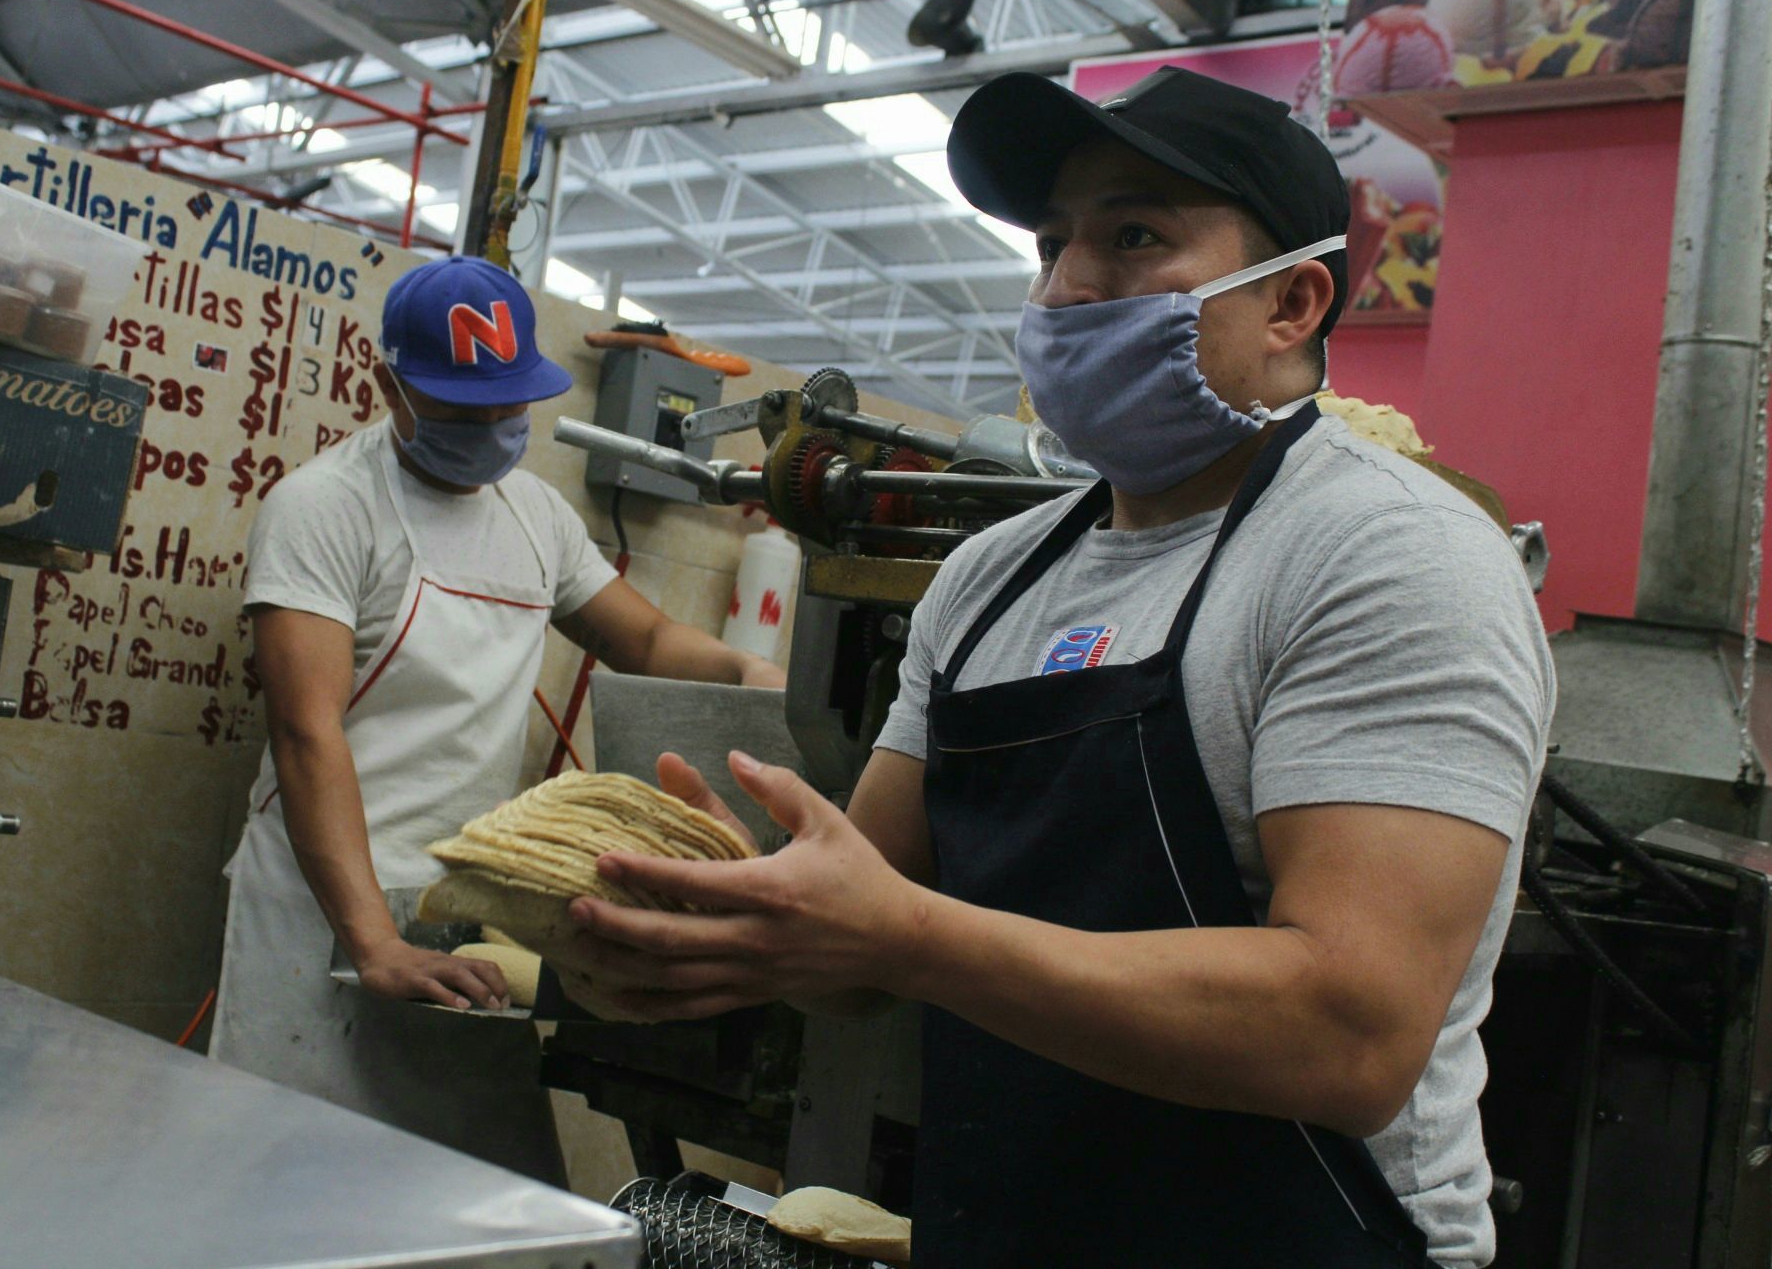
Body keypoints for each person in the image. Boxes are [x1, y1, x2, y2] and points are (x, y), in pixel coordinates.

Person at [559, 69, 1553, 1267]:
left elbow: (1347, 1032)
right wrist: (717, 933)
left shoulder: (1391, 555)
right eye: (1050, 242)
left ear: (1293, 301)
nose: (1069, 284)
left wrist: (908, 937)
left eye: (1134, 235)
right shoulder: (992, 579)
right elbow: (858, 945)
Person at [211, 256, 784, 1180]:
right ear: (387, 384)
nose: (489, 431)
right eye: (459, 409)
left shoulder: (536, 517)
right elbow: (305, 734)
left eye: (505, 407)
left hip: (463, 905)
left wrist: (749, 673)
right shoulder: (321, 509)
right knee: (290, 1199)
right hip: (328, 911)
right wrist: (373, 943)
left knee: (469, 1205)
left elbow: (641, 640)